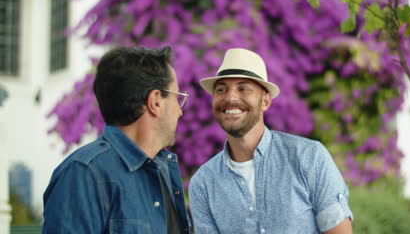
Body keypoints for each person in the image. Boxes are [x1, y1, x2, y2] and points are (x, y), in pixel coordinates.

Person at [189, 48, 353, 234]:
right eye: (221, 89)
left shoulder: (309, 157)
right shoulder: (203, 183)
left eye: (243, 88)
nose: (230, 97)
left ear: (265, 101)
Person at [42, 46, 191, 233]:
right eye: (177, 98)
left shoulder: (163, 169)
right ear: (155, 102)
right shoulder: (84, 173)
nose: (180, 110)